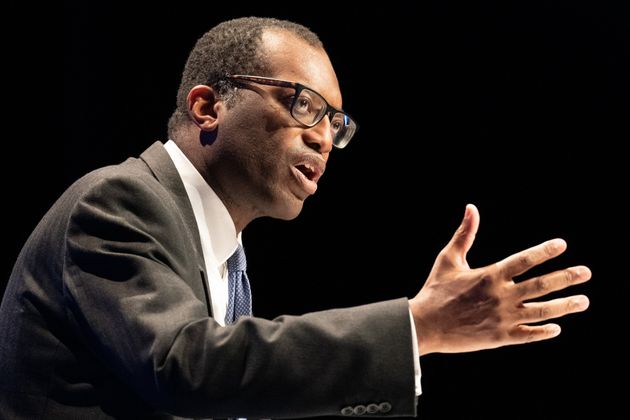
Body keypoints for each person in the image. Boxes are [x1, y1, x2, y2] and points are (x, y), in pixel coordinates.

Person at [0, 17, 591, 419]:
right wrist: (415, 327)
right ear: (208, 106)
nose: (325, 139)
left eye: (336, 124)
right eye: (303, 106)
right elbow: (187, 365)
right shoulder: (118, 202)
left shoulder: (225, 259)